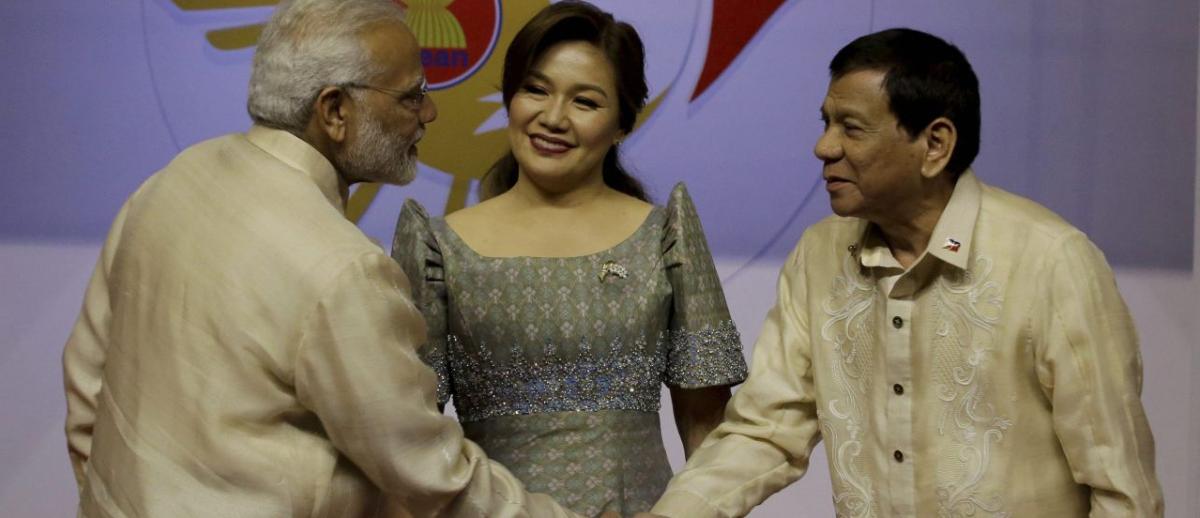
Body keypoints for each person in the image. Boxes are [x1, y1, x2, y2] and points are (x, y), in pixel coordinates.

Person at [61, 1, 591, 516]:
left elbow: (87, 383)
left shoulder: (173, 178)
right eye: (411, 96)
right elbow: (434, 475)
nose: (429, 113)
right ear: (335, 111)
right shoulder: (343, 271)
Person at [640, 28, 1164, 517]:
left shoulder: (1051, 260)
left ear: (935, 145)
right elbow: (766, 432)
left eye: (851, 128)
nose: (824, 148)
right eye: (825, 123)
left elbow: (1120, 487)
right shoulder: (819, 255)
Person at [390, 2, 747, 516]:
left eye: (585, 102)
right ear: (509, 98)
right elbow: (408, 434)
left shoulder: (664, 235)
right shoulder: (438, 248)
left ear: (623, 122)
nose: (552, 118)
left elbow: (706, 426)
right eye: (535, 90)